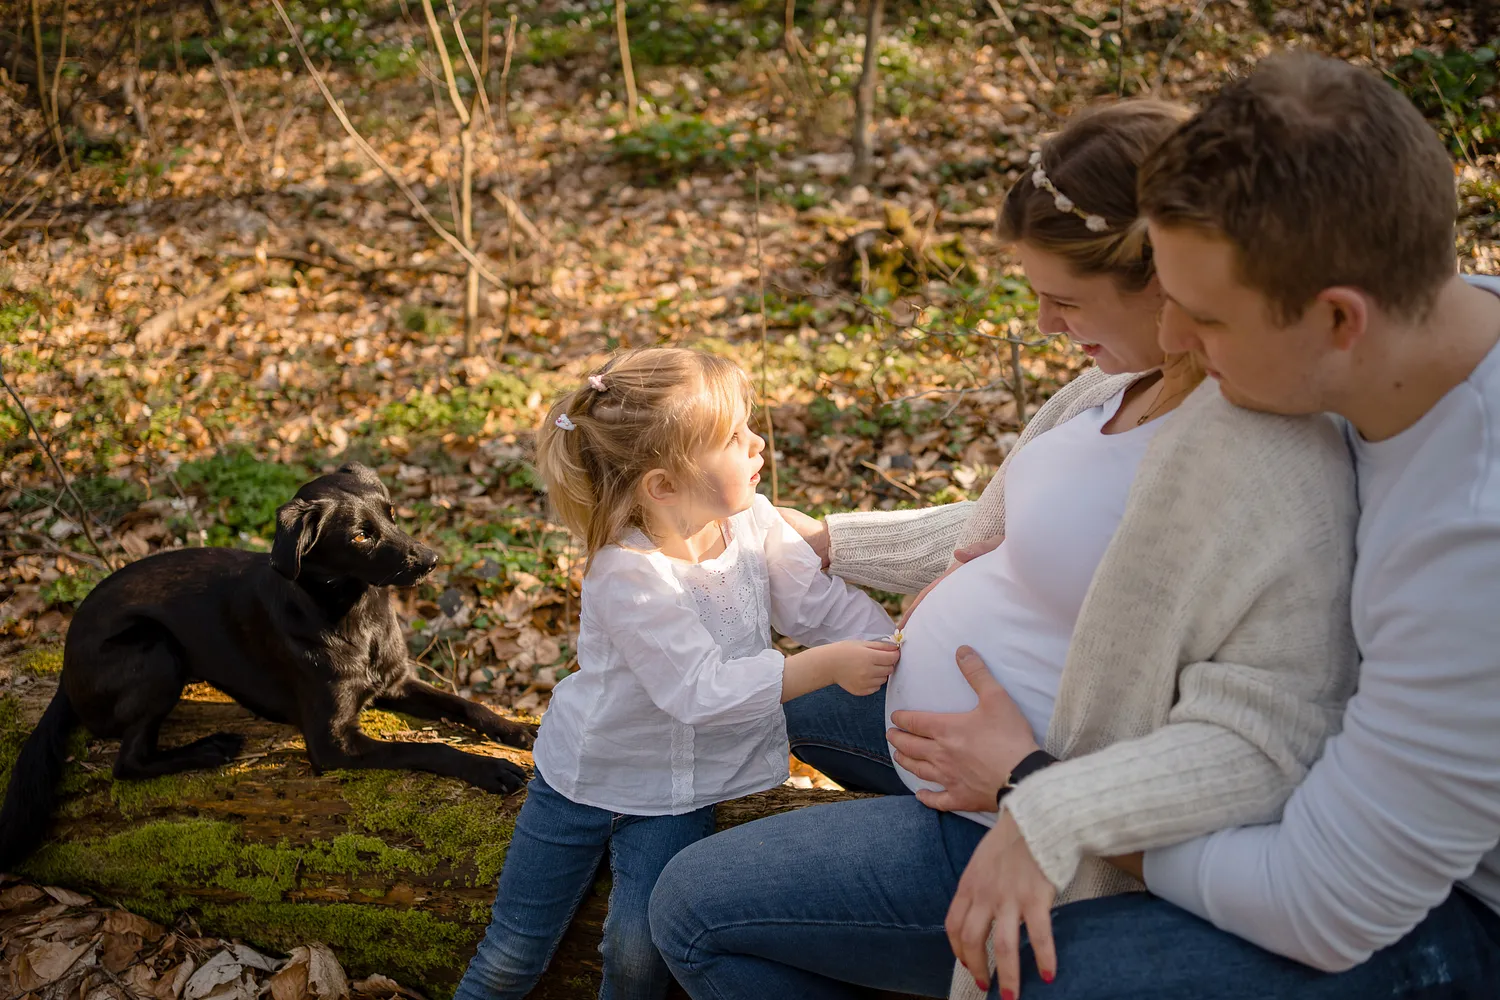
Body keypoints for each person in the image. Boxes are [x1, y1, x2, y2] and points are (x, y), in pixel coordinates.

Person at [646, 100, 1361, 1000]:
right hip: (960, 737)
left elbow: (1249, 727)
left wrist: (1028, 784)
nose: (1046, 325)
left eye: (1065, 300)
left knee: (690, 910)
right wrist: (832, 543)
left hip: (1024, 811)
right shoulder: (1116, 379)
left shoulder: (1246, 449)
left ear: (1169, 280)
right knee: (761, 701)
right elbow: (1007, 521)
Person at [933, 52, 1500, 1000]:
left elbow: (1326, 902)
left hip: (1459, 909)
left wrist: (1043, 798)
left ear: (1338, 320)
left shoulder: (1470, 549)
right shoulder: (1434, 324)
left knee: (1032, 984)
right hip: (1340, 810)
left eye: (1204, 318)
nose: (1169, 343)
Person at [452, 347, 898, 1000]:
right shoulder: (628, 576)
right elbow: (699, 691)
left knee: (638, 957)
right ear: (663, 484)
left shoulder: (750, 520)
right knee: (514, 951)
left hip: (680, 791)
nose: (757, 444)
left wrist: (890, 644)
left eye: (749, 428)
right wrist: (825, 667)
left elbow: (817, 603)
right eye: (733, 437)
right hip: (586, 781)